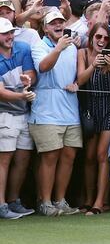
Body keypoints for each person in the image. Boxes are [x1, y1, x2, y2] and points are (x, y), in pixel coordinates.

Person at [29, 11, 83, 217]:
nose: (58, 25)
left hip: (70, 109)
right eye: (53, 23)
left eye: (61, 22)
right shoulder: (39, 46)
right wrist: (58, 48)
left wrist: (76, 83)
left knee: (68, 156)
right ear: (45, 28)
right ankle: (45, 202)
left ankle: (60, 200)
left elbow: (77, 74)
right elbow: (43, 67)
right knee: (50, 157)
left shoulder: (72, 47)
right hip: (46, 111)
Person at [76, 23, 110, 215]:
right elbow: (80, 80)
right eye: (98, 37)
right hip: (91, 107)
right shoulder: (83, 53)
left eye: (106, 38)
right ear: (91, 38)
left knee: (101, 155)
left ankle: (100, 201)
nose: (101, 41)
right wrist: (93, 65)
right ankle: (89, 199)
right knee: (89, 157)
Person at [0, 17, 36, 219]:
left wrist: (27, 80)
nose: (9, 37)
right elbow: (1, 92)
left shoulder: (22, 48)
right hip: (4, 114)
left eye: (11, 32)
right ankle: (1, 205)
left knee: (22, 159)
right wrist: (22, 95)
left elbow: (31, 73)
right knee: (4, 160)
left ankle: (14, 201)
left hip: (23, 113)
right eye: (5, 33)